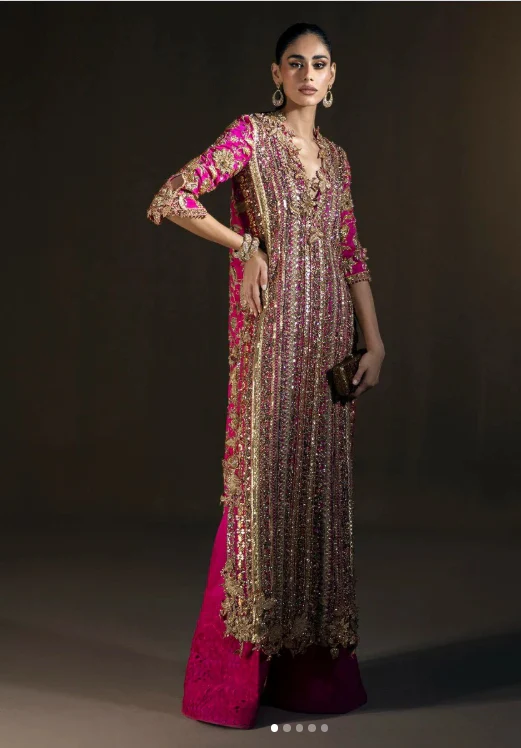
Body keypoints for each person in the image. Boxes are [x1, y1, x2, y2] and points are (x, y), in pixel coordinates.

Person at [146, 22, 385, 730]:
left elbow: (351, 254)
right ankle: (235, 681)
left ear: (333, 77)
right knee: (264, 491)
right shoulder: (251, 136)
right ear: (275, 74)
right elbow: (174, 196)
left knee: (318, 496)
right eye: (295, 63)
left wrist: (374, 342)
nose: (307, 73)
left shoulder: (337, 160)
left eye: (319, 64)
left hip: (329, 342)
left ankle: (309, 680)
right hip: (273, 341)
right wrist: (244, 244)